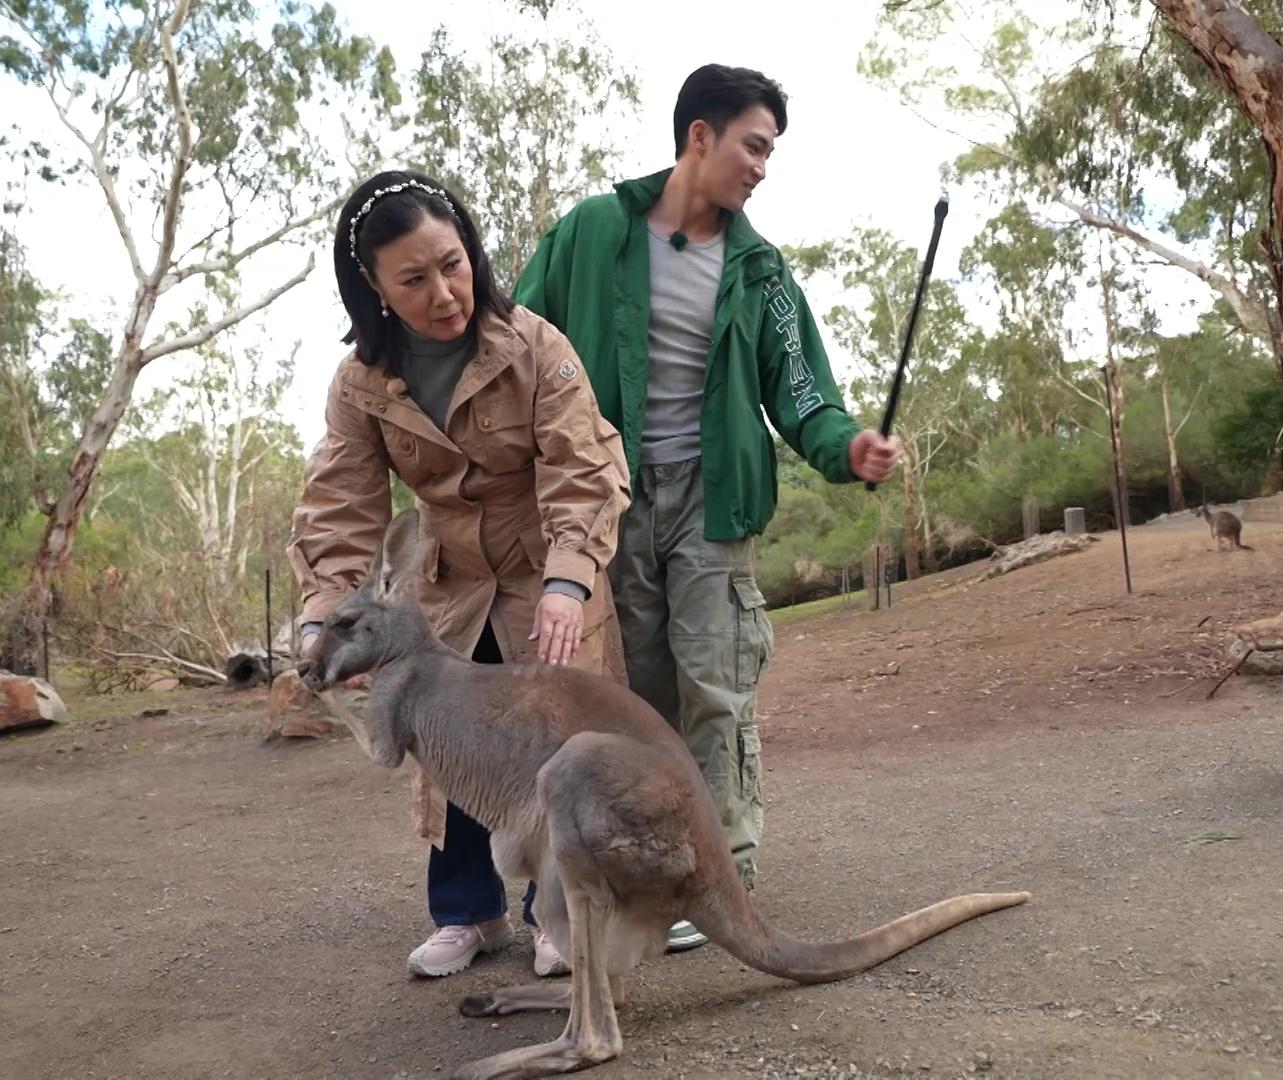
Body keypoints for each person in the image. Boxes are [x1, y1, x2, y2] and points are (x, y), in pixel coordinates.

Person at [515, 64, 902, 952]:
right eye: (753, 146)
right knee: (638, 700)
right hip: (610, 501)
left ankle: (721, 878)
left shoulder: (761, 272)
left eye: (770, 153)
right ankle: (652, 868)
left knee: (716, 688)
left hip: (711, 501)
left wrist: (848, 447)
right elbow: (517, 343)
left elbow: (803, 391)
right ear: (700, 135)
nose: (762, 167)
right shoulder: (591, 232)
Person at [289, 169, 630, 981]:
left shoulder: (535, 345)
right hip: (447, 584)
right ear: (373, 287)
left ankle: (554, 914)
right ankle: (467, 912)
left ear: (471, 250)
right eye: (413, 279)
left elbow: (582, 468)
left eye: (453, 263)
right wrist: (322, 616)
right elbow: (341, 504)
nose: (443, 293)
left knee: (551, 745)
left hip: (547, 571)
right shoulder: (361, 384)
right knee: (446, 739)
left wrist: (569, 581)